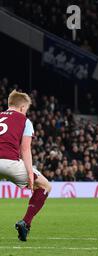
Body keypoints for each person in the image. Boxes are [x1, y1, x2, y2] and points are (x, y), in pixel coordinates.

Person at [0, 90, 52, 241]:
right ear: (23, 108)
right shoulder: (25, 121)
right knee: (45, 186)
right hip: (10, 162)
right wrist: (30, 173)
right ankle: (25, 223)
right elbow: (25, 149)